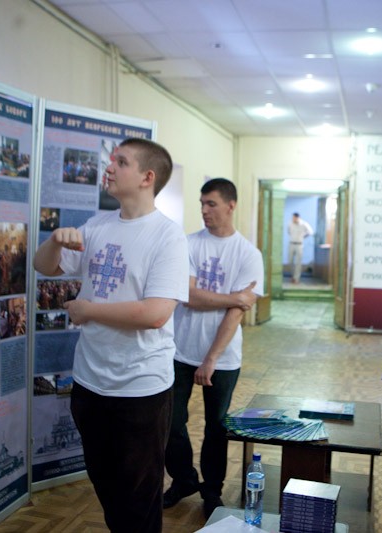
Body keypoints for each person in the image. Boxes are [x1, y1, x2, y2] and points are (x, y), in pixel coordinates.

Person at [33, 137, 189, 533]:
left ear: (147, 177)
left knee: (138, 499)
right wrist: (54, 241)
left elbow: (155, 313)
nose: (109, 167)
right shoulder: (98, 225)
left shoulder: (167, 236)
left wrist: (88, 310)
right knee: (107, 488)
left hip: (140, 388)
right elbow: (44, 267)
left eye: (121, 162)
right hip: (90, 382)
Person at [164, 177, 264, 519]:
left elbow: (236, 314)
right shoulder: (188, 244)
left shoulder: (248, 254)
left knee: (216, 427)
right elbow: (188, 296)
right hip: (179, 352)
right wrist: (234, 297)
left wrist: (211, 359)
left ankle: (212, 490)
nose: (204, 210)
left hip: (222, 358)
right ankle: (183, 480)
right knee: (170, 423)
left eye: (211, 204)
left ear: (230, 205)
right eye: (202, 204)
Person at [286, 212, 313, 283]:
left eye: (294, 218)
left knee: (298, 262)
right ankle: (293, 275)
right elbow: (288, 232)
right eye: (293, 218)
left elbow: (310, 232)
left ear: (298, 218)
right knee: (290, 261)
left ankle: (296, 278)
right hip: (291, 244)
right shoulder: (290, 224)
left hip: (299, 244)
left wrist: (303, 236)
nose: (293, 219)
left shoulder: (304, 224)